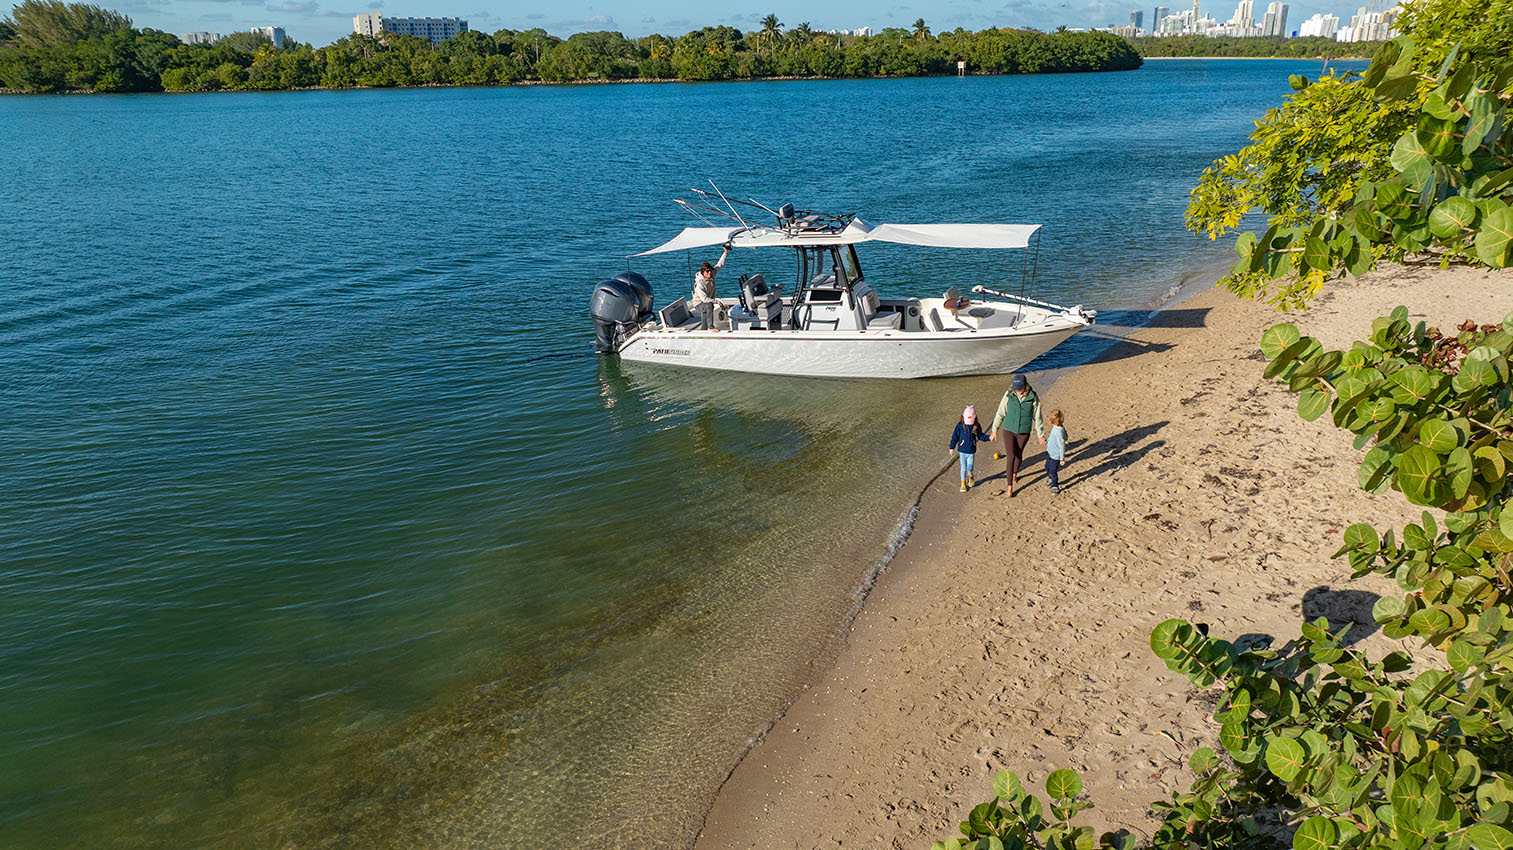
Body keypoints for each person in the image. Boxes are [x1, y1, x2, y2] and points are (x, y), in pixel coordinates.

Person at [987, 373, 1044, 498]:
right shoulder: (1009, 395)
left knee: (1018, 455)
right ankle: (1009, 488)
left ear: (1025, 385)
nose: (1017, 391)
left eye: (1019, 388)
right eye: (1015, 388)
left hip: (1024, 432)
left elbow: (1038, 417)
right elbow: (1000, 412)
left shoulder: (1032, 397)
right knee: (1011, 456)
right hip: (1008, 430)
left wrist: (1040, 435)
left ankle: (1015, 473)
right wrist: (994, 429)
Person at [691, 242, 731, 331]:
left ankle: (703, 329)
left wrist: (725, 252)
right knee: (708, 305)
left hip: (706, 302)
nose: (709, 273)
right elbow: (704, 299)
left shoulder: (711, 274)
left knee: (708, 306)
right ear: (702, 273)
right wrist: (718, 302)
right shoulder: (700, 284)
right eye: (707, 272)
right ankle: (710, 327)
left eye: (710, 271)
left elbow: (720, 264)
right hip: (698, 303)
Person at [948, 405, 989, 492]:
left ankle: (970, 476)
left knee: (969, 467)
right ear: (963, 417)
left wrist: (989, 437)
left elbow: (981, 436)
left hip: (971, 452)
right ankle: (963, 484)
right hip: (961, 451)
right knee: (963, 468)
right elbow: (954, 437)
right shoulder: (960, 425)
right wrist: (951, 447)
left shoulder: (976, 426)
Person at [1044, 409, 1068, 495]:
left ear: (1053, 421)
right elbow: (1052, 438)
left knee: (1053, 471)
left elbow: (1062, 446)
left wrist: (1062, 458)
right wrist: (1047, 440)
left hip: (1056, 456)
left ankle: (1055, 485)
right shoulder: (1056, 428)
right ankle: (1051, 479)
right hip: (1050, 452)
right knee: (1047, 467)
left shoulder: (1059, 432)